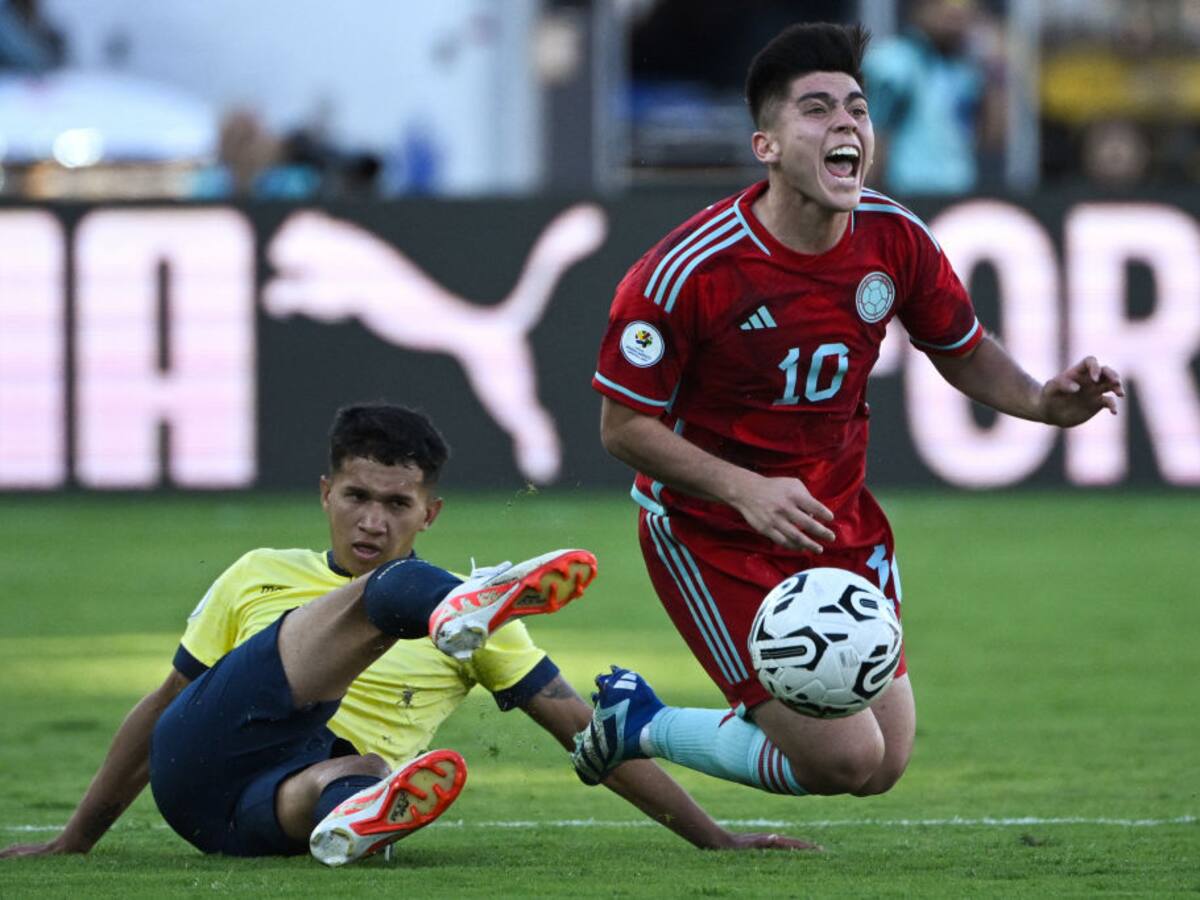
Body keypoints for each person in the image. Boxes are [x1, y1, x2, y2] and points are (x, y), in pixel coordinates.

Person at [575, 23, 1123, 806]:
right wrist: (745, 490)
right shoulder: (686, 271)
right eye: (818, 109)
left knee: (884, 763)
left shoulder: (893, 238)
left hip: (835, 520)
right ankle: (642, 724)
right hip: (714, 532)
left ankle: (638, 721)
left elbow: (961, 348)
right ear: (765, 144)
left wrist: (1040, 400)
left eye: (858, 110)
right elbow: (622, 429)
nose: (846, 125)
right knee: (839, 759)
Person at [0, 403, 811, 865]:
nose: (372, 519)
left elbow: (588, 737)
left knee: (358, 773)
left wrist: (716, 840)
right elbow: (165, 705)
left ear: (432, 513)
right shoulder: (257, 572)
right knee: (385, 595)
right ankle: (427, 608)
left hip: (261, 823)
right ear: (325, 493)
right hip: (199, 758)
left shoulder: (484, 629)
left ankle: (361, 821)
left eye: (397, 505)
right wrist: (75, 840)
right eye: (357, 496)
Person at [862, 0, 1004, 195]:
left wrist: (994, 70)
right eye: (941, 6)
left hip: (958, 192)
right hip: (908, 192)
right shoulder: (892, 62)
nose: (953, 15)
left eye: (962, 9)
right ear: (919, 10)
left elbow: (992, 138)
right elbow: (875, 134)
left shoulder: (968, 71)